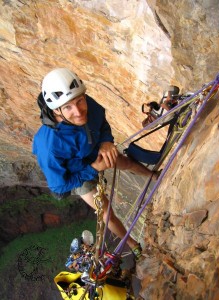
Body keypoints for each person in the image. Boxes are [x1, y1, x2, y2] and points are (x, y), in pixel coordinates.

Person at [32, 68, 159, 259]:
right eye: (68, 107)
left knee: (125, 162)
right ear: (55, 110)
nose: (78, 111)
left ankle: (155, 177)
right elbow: (59, 186)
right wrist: (92, 170)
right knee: (106, 213)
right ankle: (134, 246)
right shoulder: (48, 145)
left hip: (93, 149)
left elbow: (101, 122)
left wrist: (107, 141)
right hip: (77, 173)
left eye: (79, 101)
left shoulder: (84, 102)